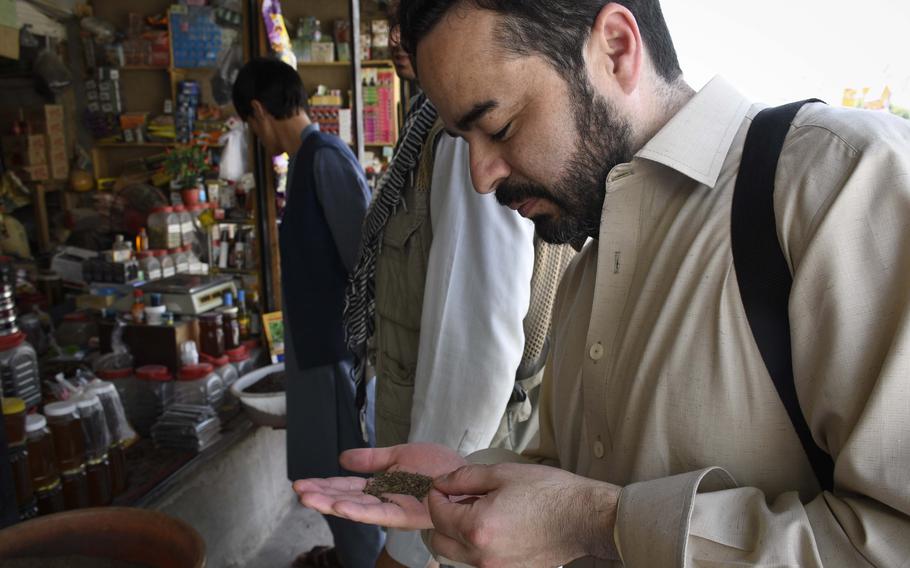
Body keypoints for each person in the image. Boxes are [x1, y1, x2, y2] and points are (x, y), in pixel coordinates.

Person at [294, 1, 910, 566]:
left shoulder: (841, 183)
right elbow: (575, 477)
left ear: (615, 49)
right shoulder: (589, 267)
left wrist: (598, 523)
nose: (481, 178)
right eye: (465, 142)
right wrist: (460, 482)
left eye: (501, 127)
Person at [342, 16, 540, 568]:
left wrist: (410, 545)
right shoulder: (430, 132)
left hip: (451, 488)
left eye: (417, 13)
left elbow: (474, 354)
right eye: (392, 17)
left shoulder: (461, 142)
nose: (398, 38)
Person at [232, 57, 384, 568]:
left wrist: (363, 359)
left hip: (335, 356)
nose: (256, 134)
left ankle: (366, 560)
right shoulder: (302, 163)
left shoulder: (325, 158)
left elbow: (366, 264)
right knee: (322, 474)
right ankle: (350, 555)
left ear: (258, 110)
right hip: (316, 353)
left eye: (251, 124)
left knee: (347, 482)